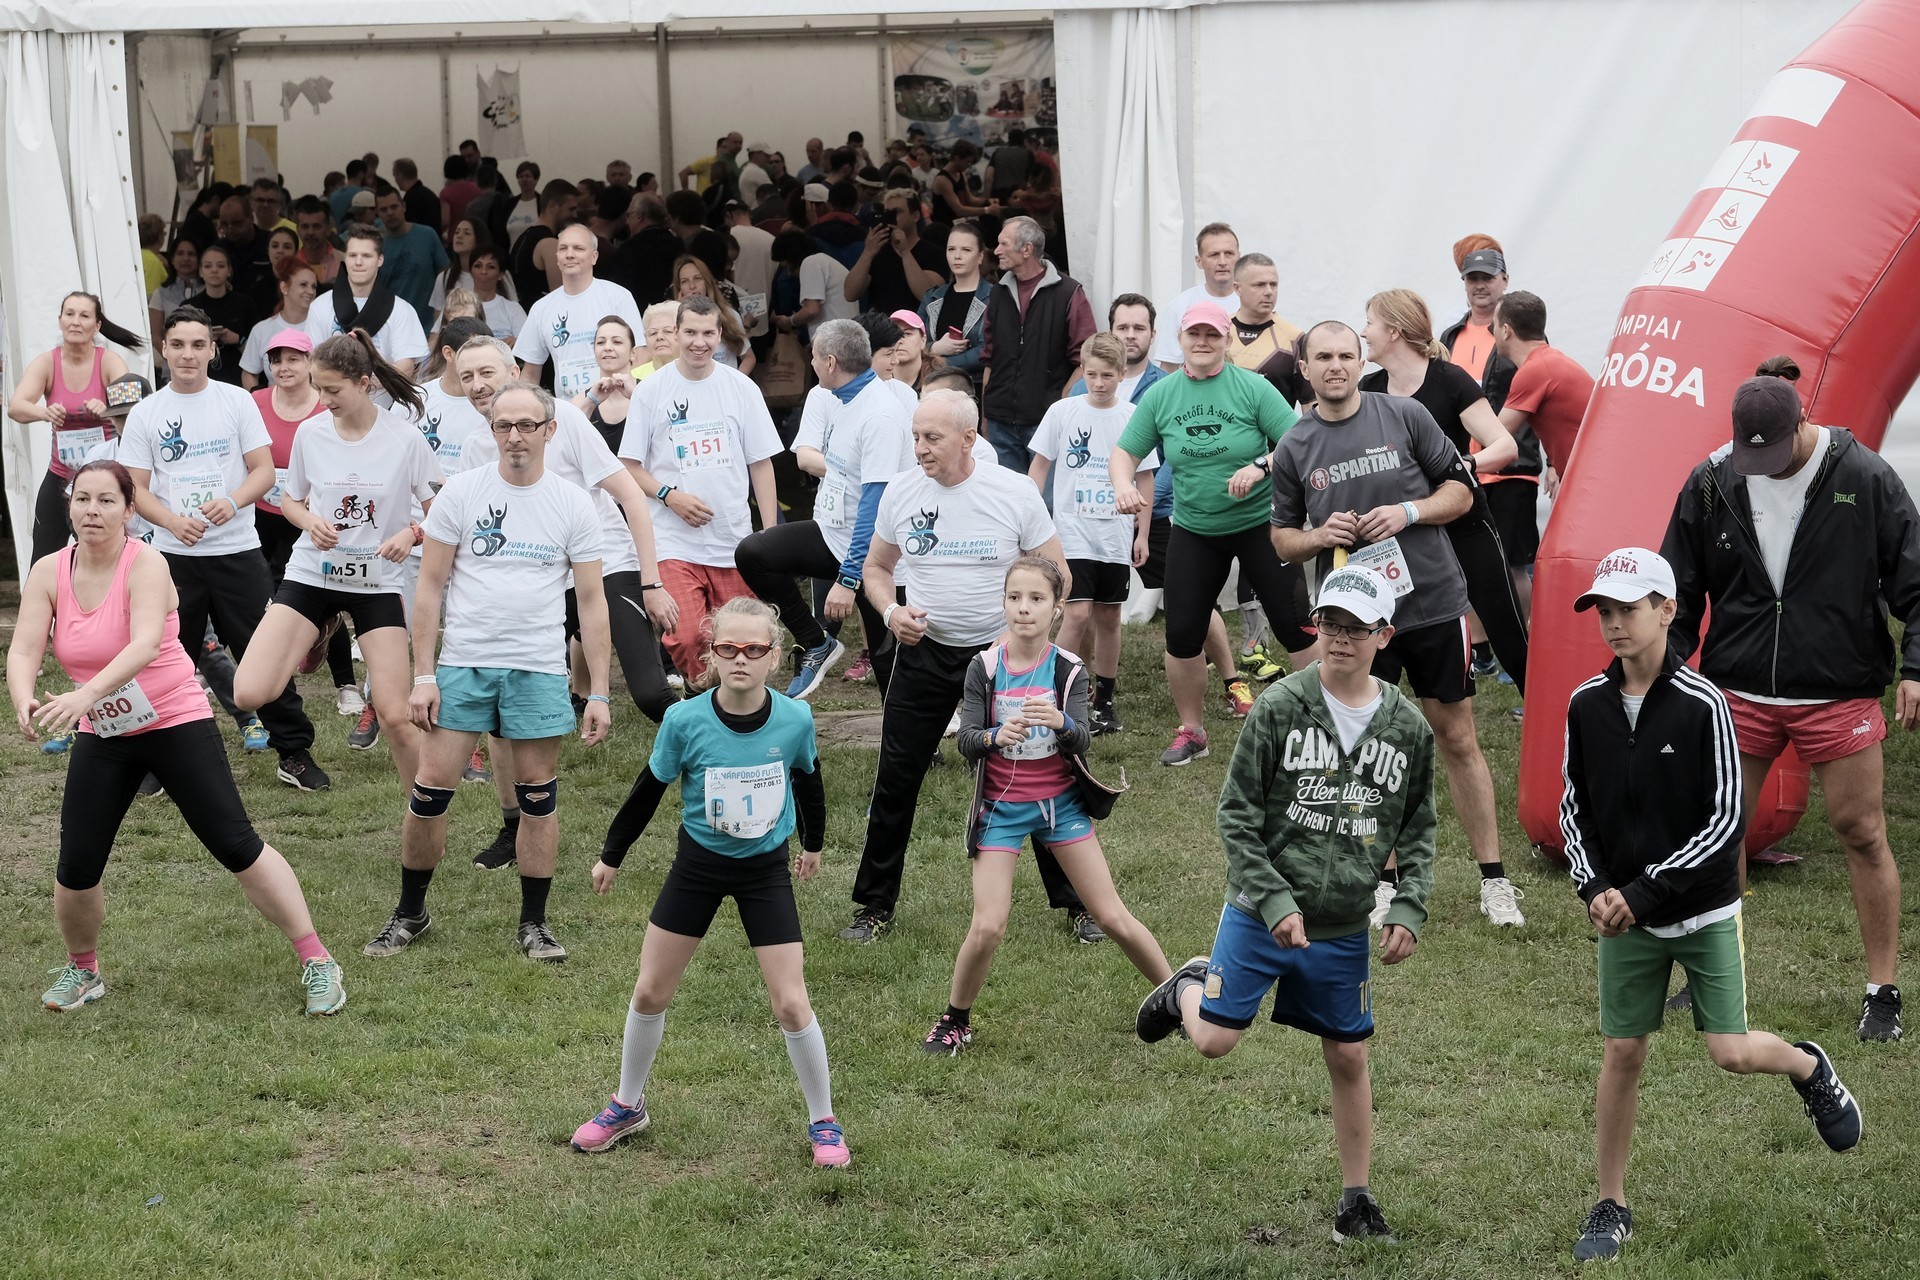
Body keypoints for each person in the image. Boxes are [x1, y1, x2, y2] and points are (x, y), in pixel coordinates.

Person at [1560, 547, 1862, 1264]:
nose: (1614, 623)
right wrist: (1595, 888)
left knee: (1730, 1052)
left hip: (1700, 912)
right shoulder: (1585, 704)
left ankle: (1807, 1067)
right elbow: (1575, 807)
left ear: (1668, 610)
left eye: (1628, 609)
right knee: (1622, 1051)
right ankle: (1611, 1203)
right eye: (1604, 611)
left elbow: (1726, 821)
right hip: (1625, 916)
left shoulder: (1705, 706)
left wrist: (1643, 892)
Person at [1134, 564, 1433, 1245]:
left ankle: (1356, 1202)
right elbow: (1236, 814)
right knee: (1213, 1042)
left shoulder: (1407, 727)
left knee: (1349, 1055)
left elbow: (1418, 826)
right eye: (1330, 624)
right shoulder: (1279, 707)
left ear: (1384, 636)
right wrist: (1272, 900)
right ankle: (1186, 988)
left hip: (1342, 923)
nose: (1340, 638)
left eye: (1356, 628)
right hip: (1258, 909)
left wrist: (1409, 905)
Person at [7, 459, 347, 1017]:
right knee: (76, 863)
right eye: (83, 499)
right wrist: (23, 697)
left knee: (235, 845)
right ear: (69, 506)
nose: (92, 511)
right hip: (105, 731)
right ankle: (83, 970)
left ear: (129, 510)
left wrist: (84, 695)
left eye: (107, 501)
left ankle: (318, 959)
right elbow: (24, 648)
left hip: (174, 722)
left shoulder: (147, 563)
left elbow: (144, 645)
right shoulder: (50, 570)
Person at [1661, 365, 1919, 1040]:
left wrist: (1917, 668)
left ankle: (1882, 992)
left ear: (1804, 422)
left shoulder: (1864, 475)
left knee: (1862, 831)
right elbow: (1679, 592)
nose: (1763, 469)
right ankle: (1715, 975)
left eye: (1774, 454)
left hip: (1837, 689)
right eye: (1751, 457)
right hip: (1740, 689)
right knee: (1719, 832)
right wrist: (1663, 671)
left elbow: (1915, 582)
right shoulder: (1712, 480)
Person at [572, 597, 849, 1167]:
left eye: (754, 649)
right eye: (729, 648)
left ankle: (824, 1121)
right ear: (712, 655)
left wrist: (814, 844)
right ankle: (627, 1104)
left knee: (791, 1001)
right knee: (650, 991)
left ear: (773, 657)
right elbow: (648, 790)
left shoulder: (794, 718)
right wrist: (612, 855)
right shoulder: (684, 720)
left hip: (765, 871)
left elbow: (808, 780)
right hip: (697, 867)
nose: (741, 659)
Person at [1269, 321, 1521, 927]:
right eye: (1322, 357)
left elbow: (1461, 493)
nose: (1335, 366)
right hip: (1355, 620)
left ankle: (1494, 880)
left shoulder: (1405, 415)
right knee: (1365, 745)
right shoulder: (1295, 445)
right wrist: (1318, 537)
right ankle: (1381, 882)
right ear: (1304, 369)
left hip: (1431, 602)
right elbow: (1281, 540)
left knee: (1456, 736)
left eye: (1345, 355)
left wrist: (1408, 512)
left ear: (1362, 362)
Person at [363, 381, 611, 963]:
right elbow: (429, 588)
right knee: (430, 792)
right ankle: (410, 913)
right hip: (464, 664)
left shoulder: (574, 503)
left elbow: (592, 601)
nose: (515, 436)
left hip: (537, 669)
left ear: (550, 431)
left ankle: (534, 924)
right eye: (504, 425)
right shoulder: (462, 492)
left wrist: (599, 690)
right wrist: (424, 675)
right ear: (491, 431)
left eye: (527, 425)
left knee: (537, 798)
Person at [842, 389, 1094, 944]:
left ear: (968, 438)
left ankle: (1081, 905)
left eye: (931, 438)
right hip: (925, 652)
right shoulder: (901, 492)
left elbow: (1058, 572)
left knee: (1039, 772)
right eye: (915, 436)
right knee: (896, 778)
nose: (919, 448)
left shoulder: (1013, 491)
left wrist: (1017, 637)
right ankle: (873, 907)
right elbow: (876, 567)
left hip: (1005, 656)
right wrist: (890, 612)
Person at [924, 556, 1172, 1054]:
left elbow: (1082, 739)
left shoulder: (1068, 668)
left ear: (1057, 608)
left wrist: (1061, 723)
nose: (1024, 608)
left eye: (1036, 599)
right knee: (988, 925)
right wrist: (995, 736)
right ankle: (955, 1019)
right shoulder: (984, 668)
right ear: (1003, 603)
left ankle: (1177, 998)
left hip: (1061, 807)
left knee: (1112, 916)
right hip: (1000, 810)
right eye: (1014, 597)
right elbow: (966, 741)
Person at [121, 306, 327, 790]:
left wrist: (232, 502)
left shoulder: (236, 401)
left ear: (213, 350)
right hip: (172, 558)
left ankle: (293, 752)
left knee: (263, 651)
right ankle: (155, 759)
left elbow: (263, 471)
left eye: (198, 345)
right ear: (164, 349)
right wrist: (171, 522)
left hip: (237, 551)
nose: (187, 354)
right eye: (178, 345)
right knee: (163, 656)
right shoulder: (147, 412)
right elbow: (135, 487)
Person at [232, 332, 441, 793]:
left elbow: (442, 510)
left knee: (394, 716)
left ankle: (425, 809)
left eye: (332, 390)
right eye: (318, 388)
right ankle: (321, 625)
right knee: (248, 692)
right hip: (313, 573)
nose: (322, 400)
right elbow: (290, 499)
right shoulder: (312, 433)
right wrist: (309, 521)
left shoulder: (405, 439)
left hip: (376, 583)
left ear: (363, 383)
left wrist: (411, 533)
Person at [1109, 301, 1315, 766]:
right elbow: (1124, 454)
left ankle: (1322, 722)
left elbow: (1300, 441)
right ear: (1180, 339)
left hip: (1261, 524)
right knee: (1182, 633)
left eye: (1212, 334)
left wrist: (1260, 466)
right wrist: (1123, 485)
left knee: (1295, 626)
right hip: (1196, 529)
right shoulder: (1162, 396)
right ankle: (1193, 732)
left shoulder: (1253, 387)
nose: (1202, 341)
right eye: (1194, 333)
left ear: (1226, 340)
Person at [1357, 289, 1529, 697]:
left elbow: (1505, 446)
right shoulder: (1369, 388)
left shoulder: (1448, 380)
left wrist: (1464, 465)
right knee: (1390, 629)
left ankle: (1552, 720)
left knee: (1507, 630)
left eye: (1370, 323)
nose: (1363, 333)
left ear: (1394, 331)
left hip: (1463, 522)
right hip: (1405, 532)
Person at [735, 319, 906, 699]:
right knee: (754, 553)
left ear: (830, 363)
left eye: (813, 357)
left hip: (875, 554)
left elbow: (875, 505)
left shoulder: (879, 414)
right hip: (831, 535)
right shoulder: (843, 399)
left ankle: (921, 733)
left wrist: (849, 579)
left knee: (890, 669)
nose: (810, 363)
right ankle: (816, 642)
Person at [619, 295, 781, 683]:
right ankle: (706, 695)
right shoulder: (651, 390)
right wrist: (669, 496)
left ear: (720, 335)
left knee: (739, 640)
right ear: (676, 333)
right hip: (673, 541)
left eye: (708, 333)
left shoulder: (741, 387)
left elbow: (761, 463)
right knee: (689, 636)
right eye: (690, 332)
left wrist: (770, 536)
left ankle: (725, 703)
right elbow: (629, 466)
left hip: (732, 540)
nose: (699, 342)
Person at [1029, 333, 1151, 734]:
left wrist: (1142, 533)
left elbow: (1145, 477)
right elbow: (1040, 467)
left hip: (1114, 535)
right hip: (1071, 531)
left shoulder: (1133, 416)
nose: (1098, 383)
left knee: (1110, 616)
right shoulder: (1062, 411)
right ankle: (1059, 692)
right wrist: (1032, 516)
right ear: (1082, 370)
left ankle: (1106, 699)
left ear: (1122, 374)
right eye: (1092, 374)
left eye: (1107, 376)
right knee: (1077, 612)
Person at [248, 328, 355, 710]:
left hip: (313, 517)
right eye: (276, 360)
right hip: (264, 515)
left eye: (293, 358)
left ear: (310, 362)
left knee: (326, 596)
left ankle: (346, 684)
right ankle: (276, 675)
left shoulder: (325, 406)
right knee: (268, 596)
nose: (284, 367)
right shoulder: (255, 402)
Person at [8, 291, 139, 564]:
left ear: (97, 325)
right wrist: (44, 412)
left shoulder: (110, 361)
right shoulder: (47, 362)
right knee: (43, 555)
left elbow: (133, 412)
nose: (76, 321)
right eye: (69, 314)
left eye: (84, 315)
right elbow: (16, 406)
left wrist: (107, 409)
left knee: (107, 552)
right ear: (60, 321)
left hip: (106, 475)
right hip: (61, 473)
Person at [980, 217, 1095, 471]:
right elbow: (990, 358)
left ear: (1027, 249)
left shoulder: (1069, 293)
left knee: (1046, 496)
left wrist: (1061, 406)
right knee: (1006, 495)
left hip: (1045, 421)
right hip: (1000, 423)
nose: (996, 251)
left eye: (1003, 244)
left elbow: (1087, 359)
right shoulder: (997, 292)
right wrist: (986, 414)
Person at [514, 225, 645, 401]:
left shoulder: (618, 296)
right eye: (563, 248)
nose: (569, 254)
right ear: (557, 258)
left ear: (594, 256)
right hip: (569, 409)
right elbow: (530, 375)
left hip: (615, 407)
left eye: (578, 248)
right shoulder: (541, 308)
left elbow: (640, 355)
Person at [1494, 290, 1596, 493]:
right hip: (1592, 477)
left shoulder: (1534, 370)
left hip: (1590, 481)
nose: (1492, 333)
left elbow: (1495, 436)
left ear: (1505, 331)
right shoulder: (1550, 361)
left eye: (1493, 326)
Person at [304, 227, 430, 387]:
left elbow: (406, 367)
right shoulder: (319, 306)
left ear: (380, 260)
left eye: (366, 256)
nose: (358, 262)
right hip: (331, 398)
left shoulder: (402, 310)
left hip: (384, 400)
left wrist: (364, 385)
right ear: (345, 258)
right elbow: (311, 360)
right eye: (352, 255)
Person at [1151, 223, 1242, 371]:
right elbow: (1169, 368)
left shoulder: (1252, 303)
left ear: (1239, 257)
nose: (1222, 262)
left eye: (1229, 254)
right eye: (1214, 255)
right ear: (1199, 261)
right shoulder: (1179, 306)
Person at [845, 188, 947, 316]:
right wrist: (868, 252)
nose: (891, 217)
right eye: (887, 212)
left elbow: (927, 295)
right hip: (881, 324)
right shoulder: (878, 251)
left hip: (916, 323)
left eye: (897, 212)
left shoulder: (933, 253)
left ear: (915, 216)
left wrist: (905, 252)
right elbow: (850, 294)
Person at [918, 220, 993, 389]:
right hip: (932, 387)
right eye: (951, 249)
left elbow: (988, 349)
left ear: (980, 256)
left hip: (974, 386)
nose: (957, 256)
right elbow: (912, 340)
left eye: (966, 250)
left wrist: (940, 363)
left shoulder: (995, 297)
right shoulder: (931, 297)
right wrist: (935, 348)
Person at [372, 184, 450, 327]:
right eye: (384, 209)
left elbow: (446, 276)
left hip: (429, 326)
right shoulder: (374, 246)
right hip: (392, 327)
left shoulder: (427, 235)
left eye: (394, 207)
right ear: (377, 213)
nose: (390, 213)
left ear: (404, 206)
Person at [239, 258, 321, 390]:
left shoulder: (322, 326)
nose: (311, 291)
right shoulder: (262, 329)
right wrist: (259, 397)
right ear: (284, 287)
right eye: (303, 285)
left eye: (314, 286)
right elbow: (249, 372)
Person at [670, 256, 755, 374]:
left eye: (697, 278)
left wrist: (735, 381)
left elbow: (749, 358)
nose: (692, 286)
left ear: (707, 282)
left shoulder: (729, 315)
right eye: (684, 281)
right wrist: (677, 311)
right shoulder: (670, 320)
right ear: (679, 288)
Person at [185, 245, 256, 387]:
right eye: (208, 266)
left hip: (238, 378)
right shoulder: (189, 307)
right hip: (200, 379)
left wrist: (238, 339)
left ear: (229, 271)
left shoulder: (245, 304)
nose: (214, 270)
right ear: (201, 272)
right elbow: (182, 345)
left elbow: (258, 349)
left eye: (221, 266)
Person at [606, 193, 682, 308]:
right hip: (673, 311)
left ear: (639, 216)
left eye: (629, 215)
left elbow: (618, 291)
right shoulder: (678, 245)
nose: (626, 222)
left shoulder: (630, 250)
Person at [148, 238, 201, 349]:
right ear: (172, 259)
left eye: (191, 254)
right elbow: (156, 337)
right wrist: (173, 357)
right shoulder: (161, 293)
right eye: (180, 253)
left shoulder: (209, 290)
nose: (186, 258)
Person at [292, 195, 342, 287]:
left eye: (316, 226)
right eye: (305, 227)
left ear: (328, 229)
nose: (310, 232)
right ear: (297, 230)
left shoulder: (345, 263)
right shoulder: (291, 267)